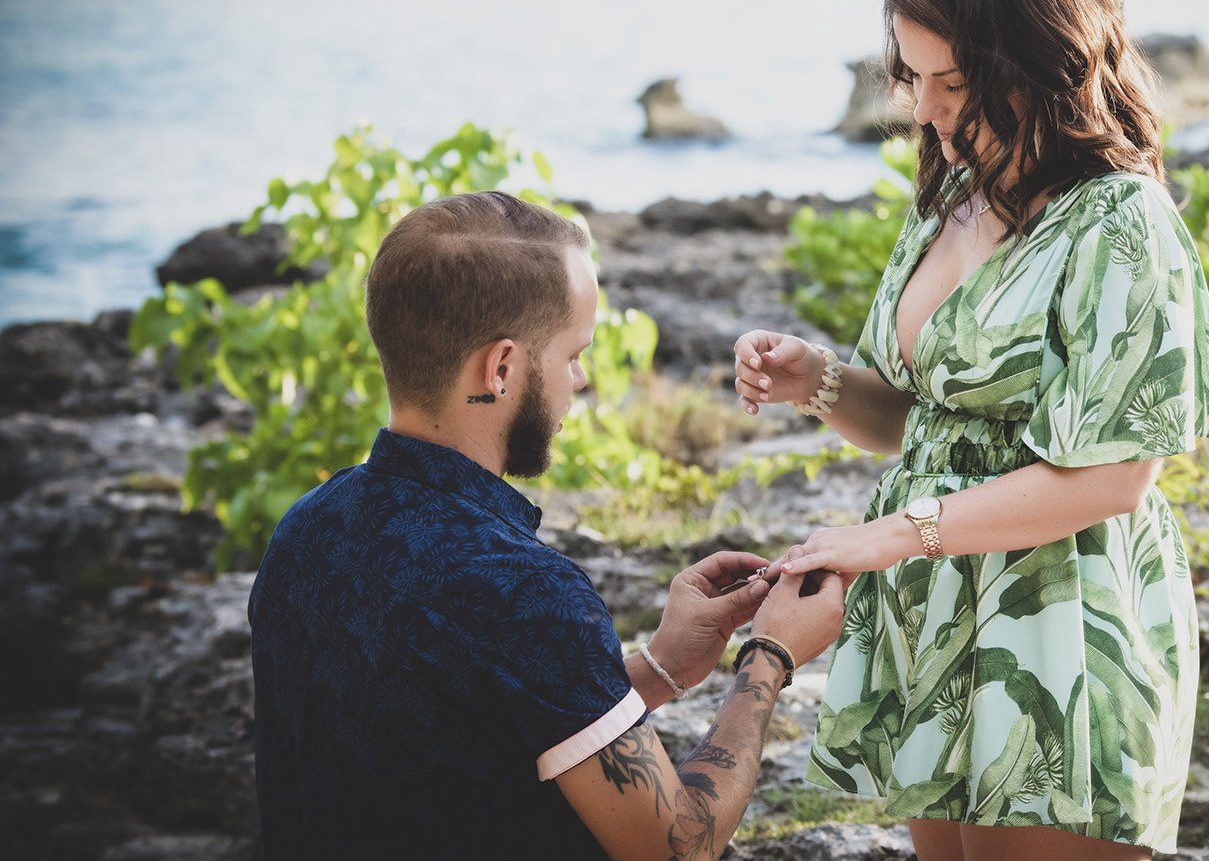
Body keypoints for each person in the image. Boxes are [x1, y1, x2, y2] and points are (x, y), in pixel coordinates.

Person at [732, 0, 1209, 861]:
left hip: (1062, 625)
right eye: (912, 76)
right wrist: (823, 382)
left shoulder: (1119, 222)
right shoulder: (954, 198)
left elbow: (1113, 478)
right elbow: (919, 426)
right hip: (937, 608)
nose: (924, 109)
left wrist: (888, 536)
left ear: (1038, 60)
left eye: (953, 81)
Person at [249, 190, 844, 860]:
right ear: (500, 369)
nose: (582, 381)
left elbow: (462, 721)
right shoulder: (524, 593)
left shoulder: (304, 533)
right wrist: (769, 659)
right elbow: (679, 846)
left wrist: (657, 668)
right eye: (571, 355)